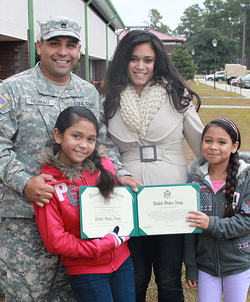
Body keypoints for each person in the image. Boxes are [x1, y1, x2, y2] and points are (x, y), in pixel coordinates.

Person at [0, 16, 133, 301]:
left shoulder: (87, 93)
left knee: (73, 295)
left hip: (80, 217)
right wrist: (25, 183)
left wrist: (120, 173)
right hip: (26, 216)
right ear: (39, 46)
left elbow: (103, 142)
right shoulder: (11, 89)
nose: (63, 51)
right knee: (26, 294)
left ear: (79, 51)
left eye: (70, 45)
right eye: (54, 43)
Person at [101, 29, 204, 302]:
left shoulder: (177, 97)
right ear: (124, 61)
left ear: (157, 62)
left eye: (148, 59)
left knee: (169, 279)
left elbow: (204, 148)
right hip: (127, 199)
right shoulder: (110, 101)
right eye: (134, 59)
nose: (141, 66)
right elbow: (103, 150)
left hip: (170, 199)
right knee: (134, 278)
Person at [34, 106, 135, 302]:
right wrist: (101, 246)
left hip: (123, 261)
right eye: (76, 136)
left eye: (90, 139)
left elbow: (120, 208)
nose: (83, 145)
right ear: (58, 135)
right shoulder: (47, 184)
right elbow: (56, 241)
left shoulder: (104, 166)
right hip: (87, 271)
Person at [185, 118, 250, 302]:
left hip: (238, 264)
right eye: (208, 141)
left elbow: (247, 222)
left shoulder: (246, 179)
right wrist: (191, 266)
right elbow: (189, 231)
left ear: (234, 146)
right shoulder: (194, 182)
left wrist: (210, 223)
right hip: (206, 266)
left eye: (222, 142)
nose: (213, 147)